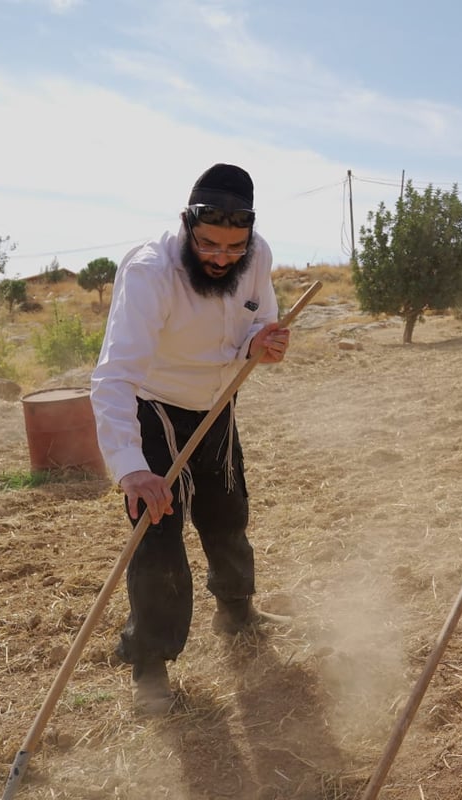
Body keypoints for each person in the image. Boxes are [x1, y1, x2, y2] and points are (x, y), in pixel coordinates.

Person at [90, 163, 292, 713]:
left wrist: (262, 343)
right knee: (158, 536)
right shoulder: (150, 271)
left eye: (234, 247)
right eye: (209, 245)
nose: (222, 258)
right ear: (187, 225)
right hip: (154, 408)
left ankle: (237, 610)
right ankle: (149, 665)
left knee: (229, 516)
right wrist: (132, 468)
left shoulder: (258, 255)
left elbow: (258, 323)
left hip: (218, 404)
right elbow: (114, 376)